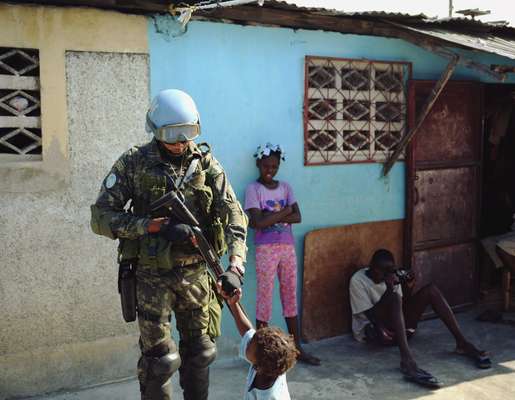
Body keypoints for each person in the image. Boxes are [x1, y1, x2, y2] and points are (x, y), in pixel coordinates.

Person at [90, 89, 248, 400]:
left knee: (201, 352)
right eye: (170, 134)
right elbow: (101, 216)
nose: (179, 141)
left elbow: (234, 213)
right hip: (152, 277)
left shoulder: (206, 164)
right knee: (160, 360)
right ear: (154, 129)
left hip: (197, 276)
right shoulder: (134, 163)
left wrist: (235, 266)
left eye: (187, 132)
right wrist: (149, 226)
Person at [349, 249, 491, 388]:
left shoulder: (392, 277)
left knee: (431, 290)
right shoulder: (358, 280)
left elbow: (401, 307)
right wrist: (389, 290)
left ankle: (462, 343)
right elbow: (373, 316)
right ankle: (407, 361)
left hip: (396, 330)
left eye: (390, 271)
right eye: (382, 271)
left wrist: (407, 286)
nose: (386, 275)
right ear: (371, 266)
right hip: (376, 331)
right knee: (393, 297)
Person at [244, 143, 320, 366]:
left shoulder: (285, 187)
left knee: (289, 295)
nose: (270, 170)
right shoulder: (253, 190)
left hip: (287, 247)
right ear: (258, 164)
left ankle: (297, 349)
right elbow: (256, 222)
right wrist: (285, 211)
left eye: (274, 166)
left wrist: (273, 215)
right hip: (265, 249)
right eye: (266, 165)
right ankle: (261, 353)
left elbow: (298, 216)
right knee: (265, 297)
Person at [219, 286, 298, 399]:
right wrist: (233, 304)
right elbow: (247, 331)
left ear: (259, 366)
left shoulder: (270, 396)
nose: (247, 342)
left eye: (249, 346)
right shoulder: (271, 365)